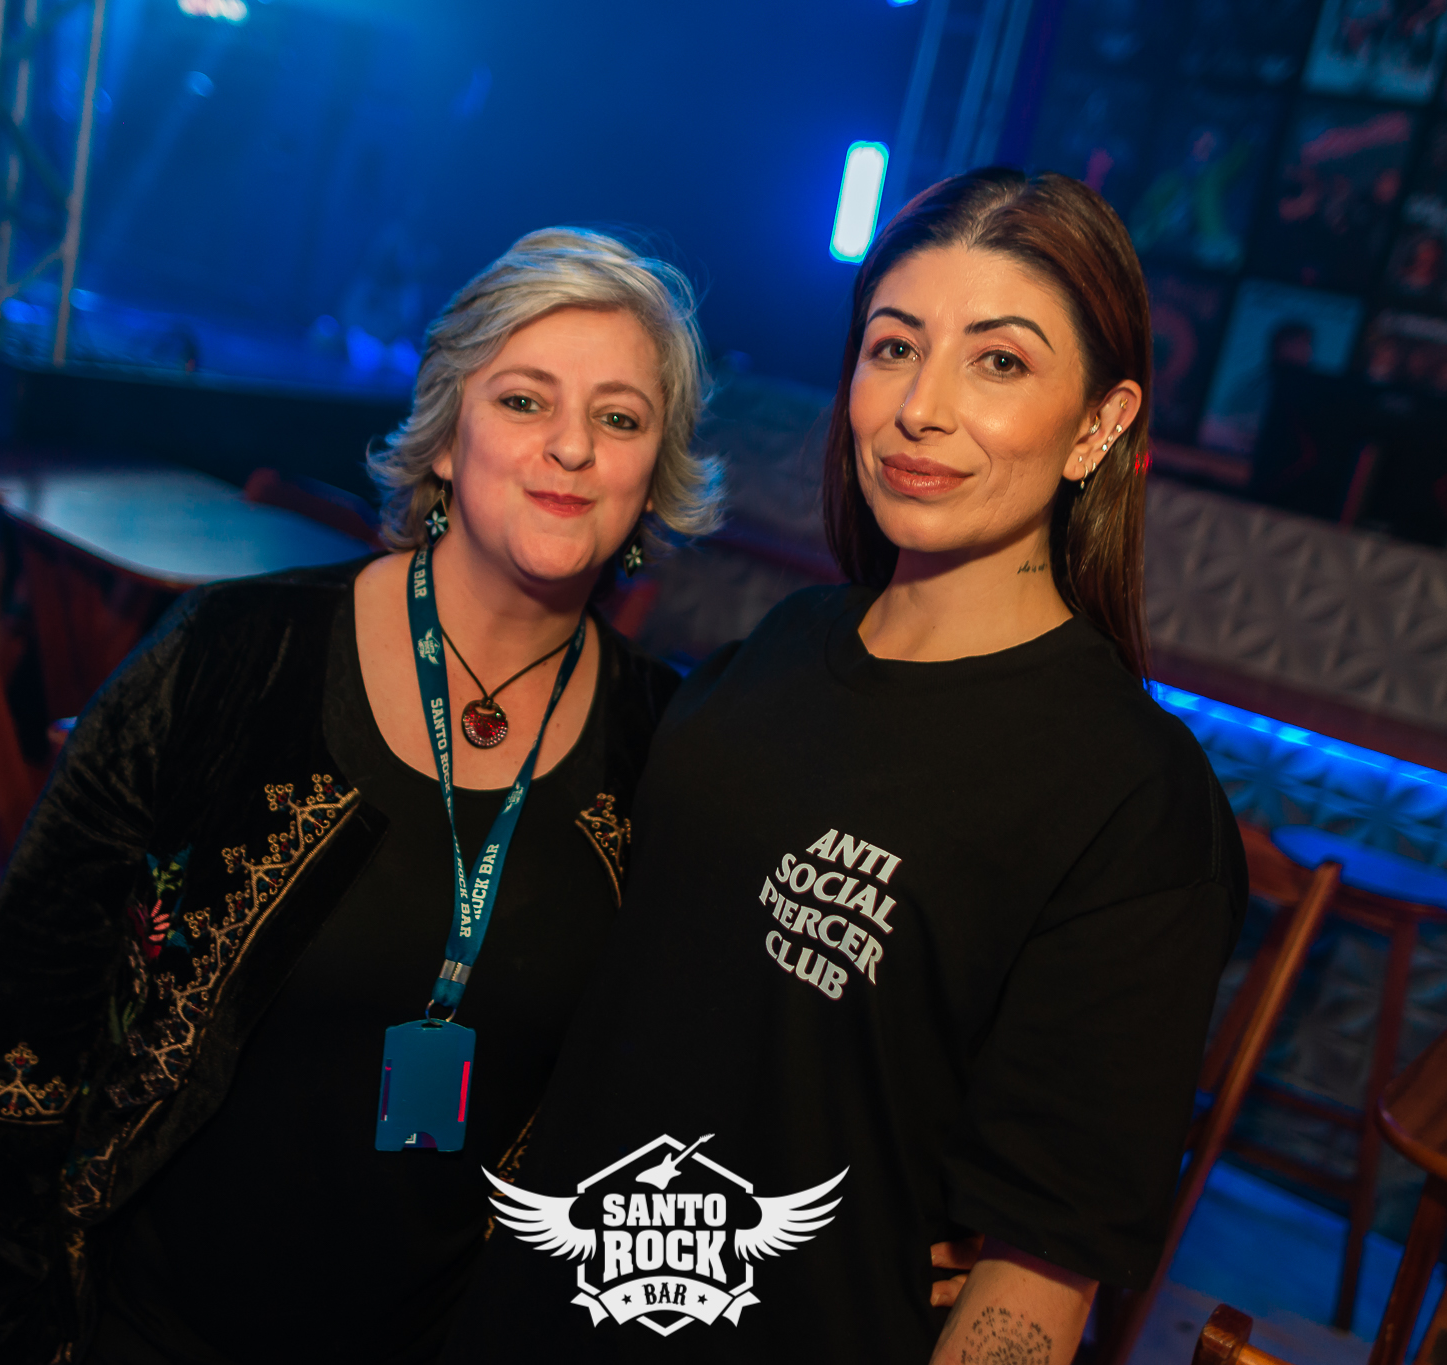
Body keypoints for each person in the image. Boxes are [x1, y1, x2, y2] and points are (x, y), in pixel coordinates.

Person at [442, 169, 1247, 1364]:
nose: (921, 407)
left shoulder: (1131, 802)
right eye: (892, 348)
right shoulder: (775, 652)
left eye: (998, 362)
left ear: (1097, 425)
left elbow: (1039, 1268)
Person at [0, 226, 722, 1364]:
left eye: (620, 418)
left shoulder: (669, 744)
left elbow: (689, 1078)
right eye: (524, 400)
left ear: (653, 475)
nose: (572, 448)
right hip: (143, 1326)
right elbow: (15, 1042)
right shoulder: (232, 656)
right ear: (444, 436)